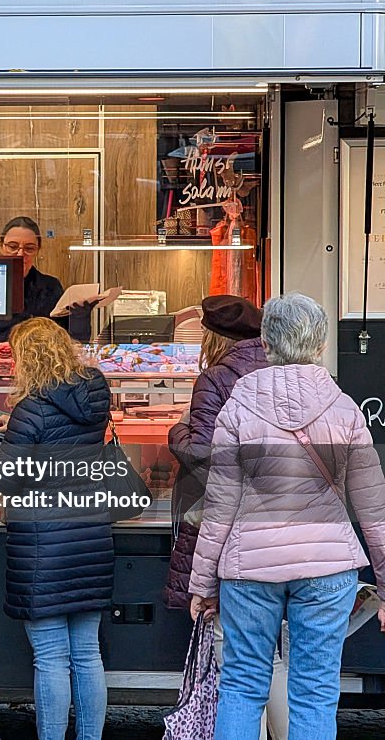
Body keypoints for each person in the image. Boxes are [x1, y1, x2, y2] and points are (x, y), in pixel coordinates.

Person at [189, 293, 385, 740]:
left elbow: (219, 503)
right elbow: (374, 511)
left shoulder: (238, 407)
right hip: (327, 564)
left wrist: (201, 583)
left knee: (241, 685)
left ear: (266, 342)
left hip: (249, 566)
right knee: (315, 691)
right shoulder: (345, 412)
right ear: (319, 346)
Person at [0, 317, 113, 740]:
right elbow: (63, 439)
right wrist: (14, 433)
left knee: (50, 656)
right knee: (87, 652)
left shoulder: (32, 406)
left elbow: (11, 477)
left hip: (44, 541)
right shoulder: (94, 392)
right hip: (89, 531)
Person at [164, 295, 286, 739]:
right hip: (291, 531)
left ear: (213, 337)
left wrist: (177, 428)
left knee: (237, 659)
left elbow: (203, 455)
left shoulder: (216, 377)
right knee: (274, 656)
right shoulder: (286, 373)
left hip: (230, 530)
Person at [0, 216, 91, 347]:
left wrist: (80, 319)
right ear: (1, 247)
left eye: (29, 248)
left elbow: (68, 343)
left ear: (38, 250)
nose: (20, 254)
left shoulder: (50, 287)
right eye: (12, 246)